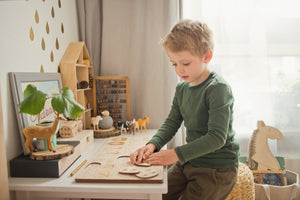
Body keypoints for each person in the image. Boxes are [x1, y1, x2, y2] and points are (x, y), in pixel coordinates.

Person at [130, 19, 240, 200]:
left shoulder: (218, 88)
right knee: (155, 194)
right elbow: (172, 121)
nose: (179, 70)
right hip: (190, 160)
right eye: (174, 63)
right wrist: (152, 145)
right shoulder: (182, 88)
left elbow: (216, 137)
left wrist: (175, 154)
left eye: (186, 63)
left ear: (207, 56)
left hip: (217, 168)